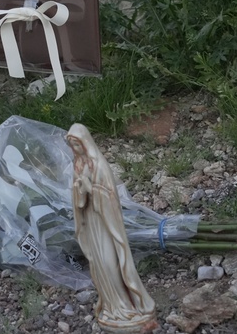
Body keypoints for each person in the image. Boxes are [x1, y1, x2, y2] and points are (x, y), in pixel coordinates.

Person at [66, 123, 157, 333]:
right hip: (90, 223)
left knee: (110, 262)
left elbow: (110, 197)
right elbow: (77, 198)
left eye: (77, 145)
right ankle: (111, 306)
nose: (75, 150)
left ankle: (126, 306)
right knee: (99, 266)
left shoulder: (99, 165)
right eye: (72, 146)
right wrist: (80, 191)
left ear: (85, 143)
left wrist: (90, 188)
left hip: (106, 224)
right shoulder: (78, 165)